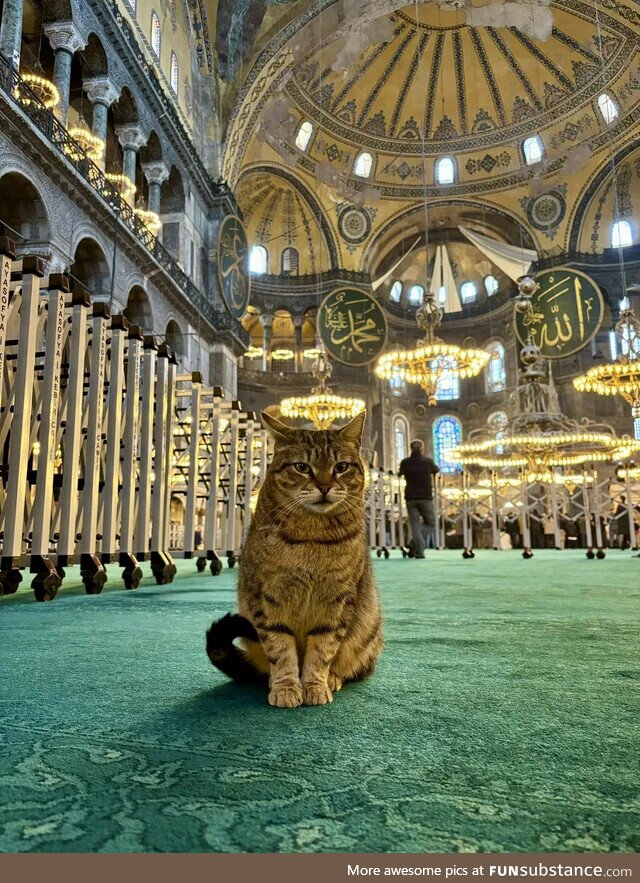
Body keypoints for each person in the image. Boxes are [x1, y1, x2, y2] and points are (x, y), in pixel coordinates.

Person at [398, 439, 440, 559]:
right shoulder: (428, 462)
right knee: (431, 523)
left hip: (410, 497)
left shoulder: (405, 462)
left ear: (411, 448)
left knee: (415, 526)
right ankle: (419, 551)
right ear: (422, 449)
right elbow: (436, 470)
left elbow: (400, 474)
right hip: (425, 497)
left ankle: (413, 545)